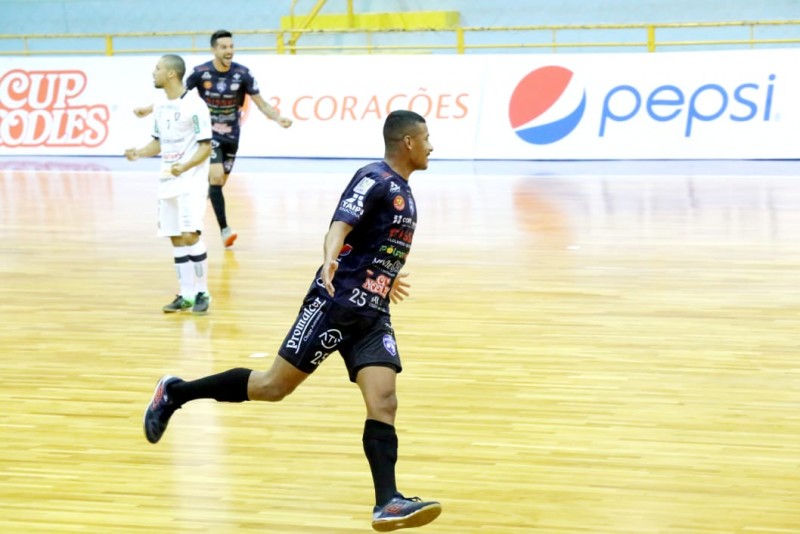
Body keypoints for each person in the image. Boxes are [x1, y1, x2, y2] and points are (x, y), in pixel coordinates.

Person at [143, 110, 442, 531]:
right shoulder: (373, 178)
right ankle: (175, 393)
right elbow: (339, 226)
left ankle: (387, 502)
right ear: (408, 142)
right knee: (272, 387)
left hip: (372, 313)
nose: (432, 146)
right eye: (426, 138)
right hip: (334, 304)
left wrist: (384, 276)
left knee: (385, 401)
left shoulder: (405, 191)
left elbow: (373, 242)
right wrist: (330, 260)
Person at [135, 30, 293, 249]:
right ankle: (223, 229)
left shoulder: (243, 74)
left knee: (214, 186)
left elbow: (261, 103)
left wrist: (278, 118)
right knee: (216, 178)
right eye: (224, 47)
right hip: (208, 135)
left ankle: (193, 215)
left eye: (231, 46)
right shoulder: (201, 73)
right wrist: (148, 108)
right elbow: (177, 95)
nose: (229, 51)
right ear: (214, 50)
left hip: (232, 136)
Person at [125, 54, 213, 314]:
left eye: (158, 68)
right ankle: (186, 294)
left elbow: (206, 146)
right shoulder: (161, 106)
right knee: (175, 236)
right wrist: (139, 153)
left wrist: (185, 166)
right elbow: (158, 143)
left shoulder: (195, 105)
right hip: (167, 179)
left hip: (190, 180)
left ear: (172, 73)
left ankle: (202, 292)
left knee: (190, 234)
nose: (154, 72)